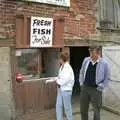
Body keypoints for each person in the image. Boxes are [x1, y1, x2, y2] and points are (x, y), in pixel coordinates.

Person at [79, 46, 110, 120]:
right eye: (90, 52)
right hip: (85, 88)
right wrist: (81, 83)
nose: (91, 54)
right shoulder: (86, 60)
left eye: (92, 52)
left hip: (96, 89)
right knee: (83, 109)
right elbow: (81, 72)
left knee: (96, 110)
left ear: (98, 53)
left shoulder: (104, 63)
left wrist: (101, 86)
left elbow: (107, 77)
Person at [46, 52, 75, 120]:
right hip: (60, 90)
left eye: (59, 58)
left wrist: (56, 81)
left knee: (67, 108)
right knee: (58, 106)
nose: (59, 59)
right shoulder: (62, 66)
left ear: (62, 59)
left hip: (66, 90)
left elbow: (63, 81)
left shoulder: (68, 68)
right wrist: (52, 79)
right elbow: (59, 77)